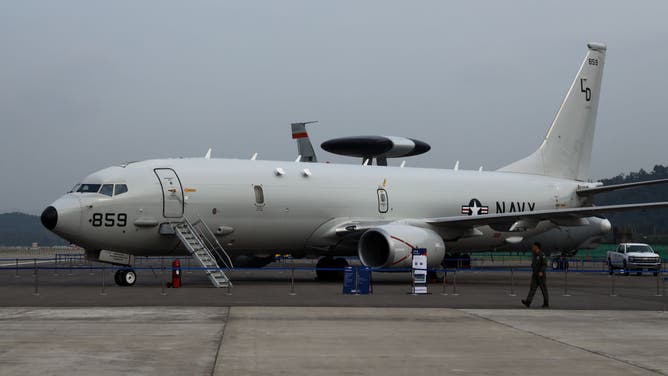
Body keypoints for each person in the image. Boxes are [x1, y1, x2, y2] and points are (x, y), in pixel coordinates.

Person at [522, 242, 549, 308]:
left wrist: (541, 271)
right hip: (535, 275)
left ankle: (546, 303)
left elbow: (545, 264)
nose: (532, 247)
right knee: (532, 288)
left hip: (541, 275)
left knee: (543, 289)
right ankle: (528, 302)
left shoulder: (541, 255)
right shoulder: (534, 254)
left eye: (533, 246)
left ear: (537, 247)